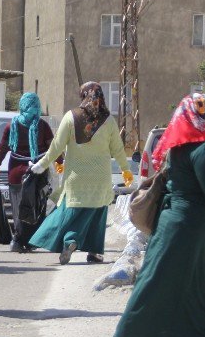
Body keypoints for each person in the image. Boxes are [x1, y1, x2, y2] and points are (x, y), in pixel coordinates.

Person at [111, 94, 205, 337]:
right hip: (188, 227)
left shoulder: (178, 148)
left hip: (179, 224)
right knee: (159, 282)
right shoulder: (203, 150)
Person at [29, 82, 132, 264]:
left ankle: (69, 241)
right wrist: (126, 170)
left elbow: (56, 147)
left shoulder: (70, 117)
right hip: (100, 178)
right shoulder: (108, 120)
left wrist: (42, 164)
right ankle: (93, 252)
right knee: (96, 215)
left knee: (68, 213)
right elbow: (117, 149)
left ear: (83, 96)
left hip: (76, 178)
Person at [0, 92, 57, 252]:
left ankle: (19, 240)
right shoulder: (42, 126)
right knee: (37, 206)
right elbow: (53, 148)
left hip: (15, 173)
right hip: (37, 173)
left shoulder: (12, 125)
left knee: (18, 208)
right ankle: (28, 241)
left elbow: (2, 148)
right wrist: (60, 162)